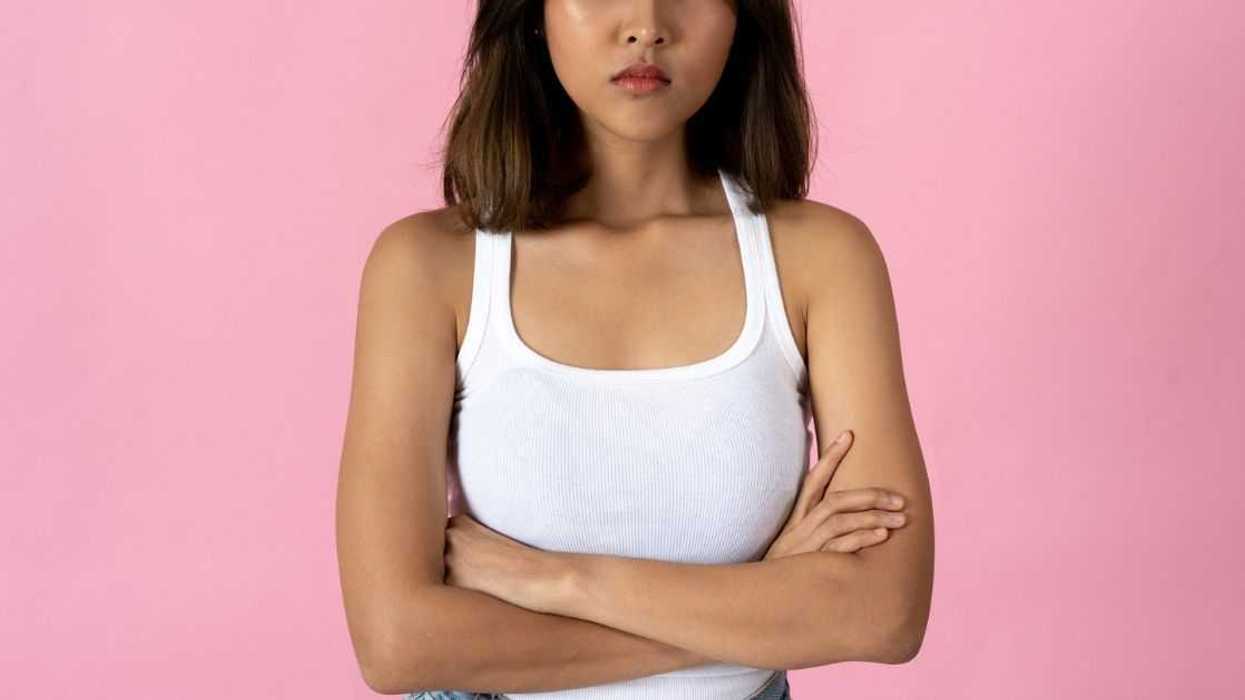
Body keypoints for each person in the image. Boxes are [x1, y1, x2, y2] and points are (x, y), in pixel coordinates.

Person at [336, 1, 934, 698]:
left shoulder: (819, 259)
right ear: (533, 14)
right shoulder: (428, 266)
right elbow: (396, 645)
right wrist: (762, 602)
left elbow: (883, 614)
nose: (647, 22)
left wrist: (556, 580)